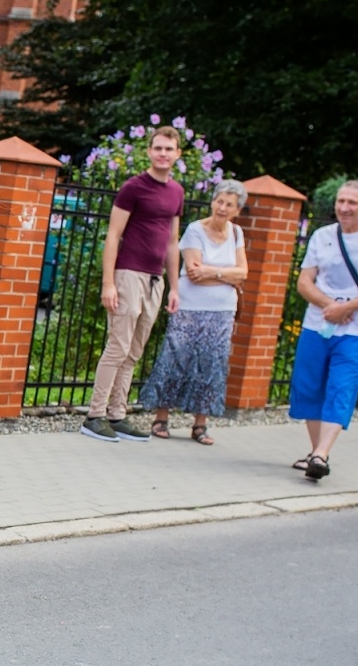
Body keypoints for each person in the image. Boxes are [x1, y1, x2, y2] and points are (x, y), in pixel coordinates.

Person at [288, 180, 358, 481]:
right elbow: (304, 281)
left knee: (341, 388)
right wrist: (330, 306)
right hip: (317, 324)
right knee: (308, 386)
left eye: (352, 202)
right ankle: (316, 453)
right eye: (341, 202)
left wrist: (348, 307)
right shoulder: (322, 236)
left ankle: (322, 454)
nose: (344, 208)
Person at [80, 127, 184, 442]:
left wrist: (175, 287)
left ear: (177, 154)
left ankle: (117, 414)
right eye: (158, 148)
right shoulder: (133, 188)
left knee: (134, 351)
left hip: (156, 281)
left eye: (169, 149)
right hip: (128, 274)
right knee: (118, 346)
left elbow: (173, 242)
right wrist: (108, 283)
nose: (163, 153)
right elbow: (113, 235)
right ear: (149, 152)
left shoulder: (176, 192)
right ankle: (94, 415)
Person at [137, 180, 250, 444]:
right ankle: (161, 418)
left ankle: (200, 425)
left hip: (222, 310)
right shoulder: (195, 230)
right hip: (190, 306)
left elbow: (243, 273)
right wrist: (227, 275)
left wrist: (215, 272)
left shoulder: (236, 234)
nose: (222, 208)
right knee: (176, 358)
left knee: (212, 363)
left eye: (229, 204)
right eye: (219, 201)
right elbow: (193, 273)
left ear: (237, 210)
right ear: (212, 202)